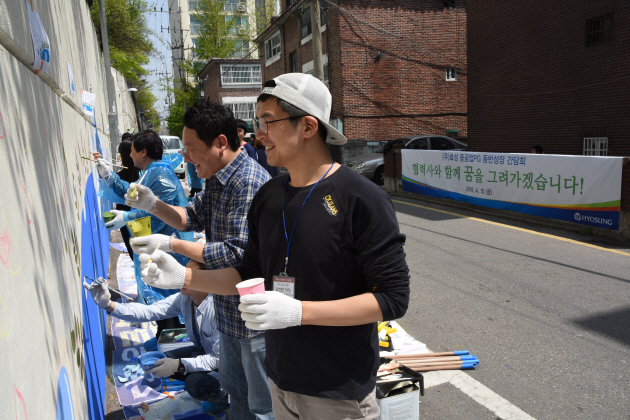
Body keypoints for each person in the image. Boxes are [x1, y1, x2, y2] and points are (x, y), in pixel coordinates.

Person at [136, 73, 410, 419]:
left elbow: (393, 298)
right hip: (281, 378)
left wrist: (299, 313)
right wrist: (185, 280)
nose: (258, 134)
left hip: (336, 389)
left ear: (308, 127)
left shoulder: (361, 199)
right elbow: (248, 273)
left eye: (268, 122)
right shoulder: (269, 197)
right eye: (257, 122)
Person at [124, 100, 273, 420]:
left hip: (255, 317)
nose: (185, 157)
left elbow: (237, 253)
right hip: (230, 312)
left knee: (262, 407)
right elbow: (189, 216)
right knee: (238, 394)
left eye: (191, 148)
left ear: (221, 143)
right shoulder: (218, 178)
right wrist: (153, 204)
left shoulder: (246, 180)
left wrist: (173, 248)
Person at [82, 268, 229, 415]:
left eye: (189, 275)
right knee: (158, 360)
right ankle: (212, 385)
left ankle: (232, 397)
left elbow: (218, 359)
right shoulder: (185, 299)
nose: (182, 277)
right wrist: (110, 305)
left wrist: (179, 365)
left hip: (232, 367)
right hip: (207, 353)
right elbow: (149, 311)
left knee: (195, 385)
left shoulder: (219, 310)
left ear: (207, 281)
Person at [95, 130, 194, 346]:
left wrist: (127, 216)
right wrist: (108, 176)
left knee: (170, 303)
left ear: (143, 151)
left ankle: (174, 347)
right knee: (160, 300)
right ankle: (165, 340)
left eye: (131, 151)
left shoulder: (160, 175)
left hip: (170, 250)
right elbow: (131, 195)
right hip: (158, 247)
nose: (129, 156)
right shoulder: (150, 172)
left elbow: (161, 215)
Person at [94, 139, 141, 261]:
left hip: (123, 218)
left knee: (133, 251)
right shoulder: (142, 173)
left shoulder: (120, 176)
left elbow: (108, 183)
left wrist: (104, 171)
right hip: (139, 217)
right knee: (141, 251)